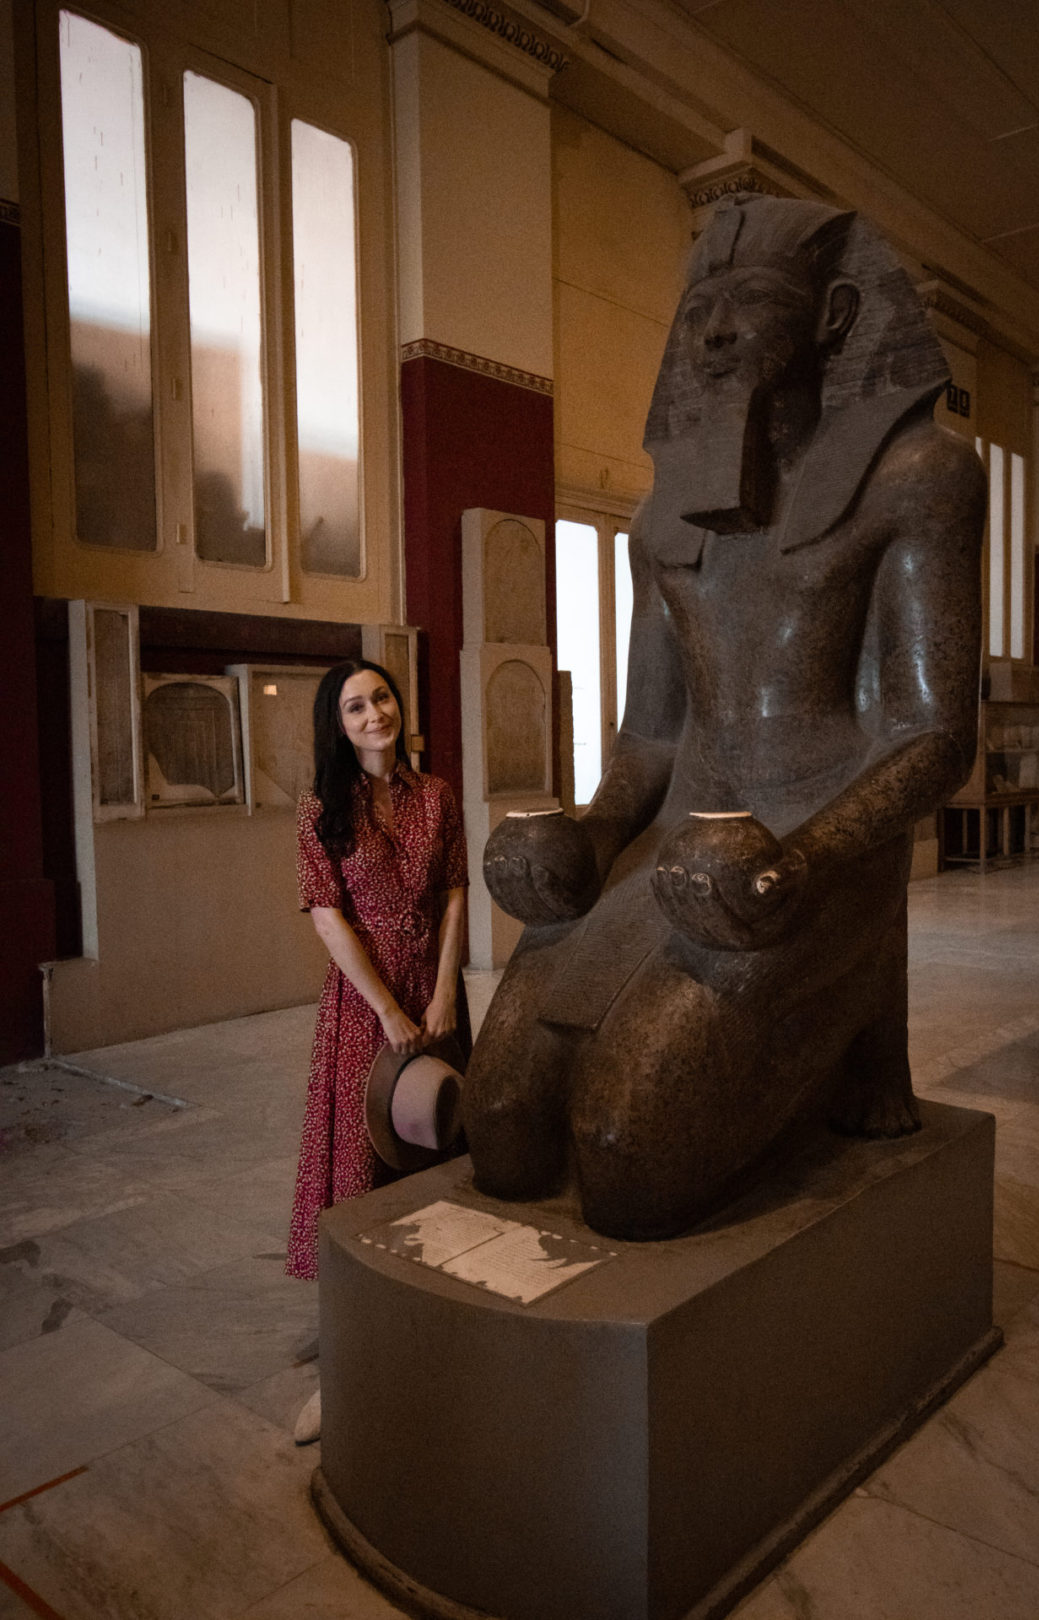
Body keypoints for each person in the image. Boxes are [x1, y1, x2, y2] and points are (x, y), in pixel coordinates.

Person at [465, 192, 985, 1242]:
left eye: (748, 300)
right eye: (700, 305)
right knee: (503, 1127)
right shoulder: (663, 522)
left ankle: (841, 1034)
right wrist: (590, 831)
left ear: (835, 316)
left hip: (813, 849)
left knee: (625, 1156)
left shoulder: (918, 479)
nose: (712, 330)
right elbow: (651, 738)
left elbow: (932, 735)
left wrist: (798, 859)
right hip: (674, 848)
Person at [287, 658, 469, 1437]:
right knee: (361, 1168)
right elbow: (328, 917)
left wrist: (445, 991)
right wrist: (390, 1007)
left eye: (382, 698)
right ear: (338, 722)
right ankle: (350, 1356)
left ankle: (432, 1316)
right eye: (355, 707)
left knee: (441, 1150)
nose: (373, 715)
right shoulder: (320, 807)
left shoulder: (435, 794)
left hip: (435, 994)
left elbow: (456, 889)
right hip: (366, 1007)